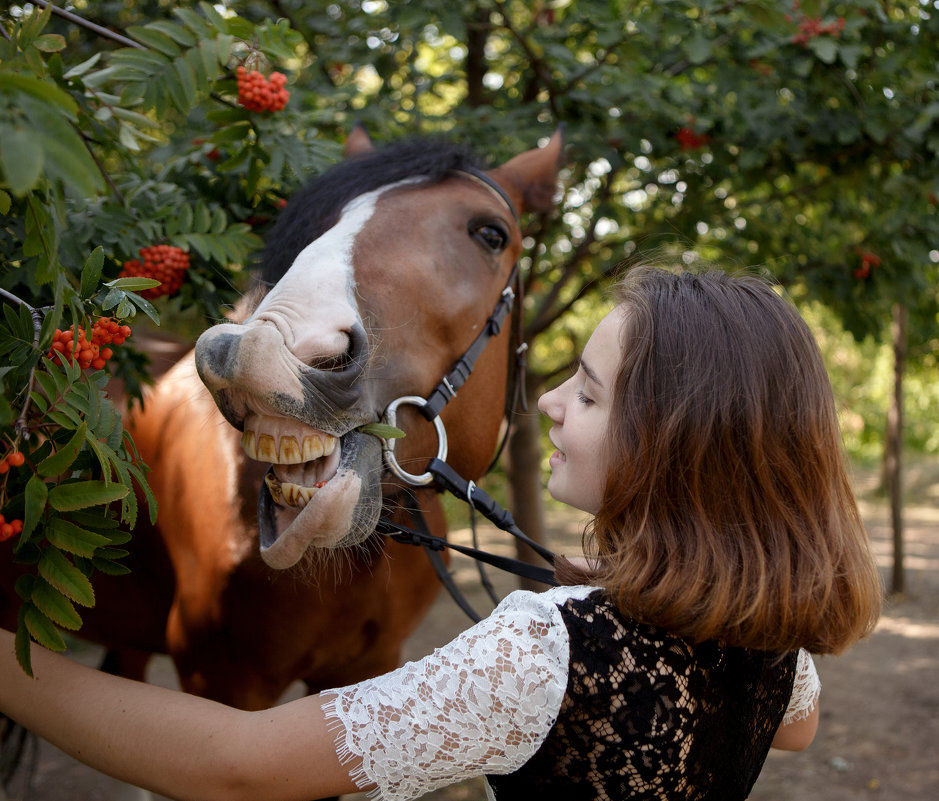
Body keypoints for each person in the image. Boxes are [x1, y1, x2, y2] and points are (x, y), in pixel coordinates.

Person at [0, 265, 882, 801]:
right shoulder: (771, 633)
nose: (546, 402)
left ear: (670, 442)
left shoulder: (544, 649)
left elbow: (233, 764)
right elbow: (793, 730)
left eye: (585, 391)